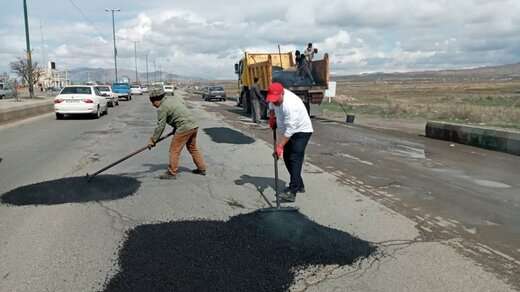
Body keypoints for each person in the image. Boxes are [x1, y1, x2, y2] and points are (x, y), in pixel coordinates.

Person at [267, 82, 313, 202]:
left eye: (277, 100)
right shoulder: (274, 98)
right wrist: (272, 117)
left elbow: (290, 129)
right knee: (287, 158)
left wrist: (280, 146)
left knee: (294, 158)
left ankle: (292, 191)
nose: (275, 102)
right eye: (273, 99)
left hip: (301, 132)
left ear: (282, 94)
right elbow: (271, 106)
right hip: (287, 131)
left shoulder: (290, 105)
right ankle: (299, 185)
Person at [148, 88, 207, 180]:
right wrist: (176, 127)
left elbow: (160, 126)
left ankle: (172, 173)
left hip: (184, 127)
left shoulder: (162, 108)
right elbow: (180, 112)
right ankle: (202, 168)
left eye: (153, 102)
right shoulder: (173, 99)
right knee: (193, 148)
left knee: (174, 150)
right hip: (193, 125)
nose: (153, 105)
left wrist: (153, 140)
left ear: (157, 100)